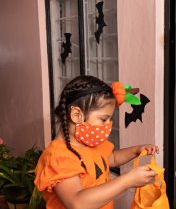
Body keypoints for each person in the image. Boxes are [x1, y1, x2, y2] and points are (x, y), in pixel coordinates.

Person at [34, 75, 159, 209]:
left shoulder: (88, 142)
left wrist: (136, 150)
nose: (108, 125)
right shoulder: (59, 158)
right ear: (76, 115)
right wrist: (127, 181)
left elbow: (111, 158)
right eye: (103, 119)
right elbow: (77, 202)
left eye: (110, 119)